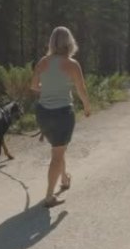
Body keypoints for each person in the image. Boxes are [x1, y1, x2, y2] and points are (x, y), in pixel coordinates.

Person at [31, 26, 91, 208]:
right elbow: (81, 90)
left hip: (43, 113)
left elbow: (34, 86)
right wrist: (87, 107)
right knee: (57, 154)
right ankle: (49, 197)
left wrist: (48, 88)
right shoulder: (72, 64)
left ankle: (64, 179)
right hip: (62, 114)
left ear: (52, 42)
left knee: (58, 149)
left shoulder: (42, 62)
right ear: (69, 42)